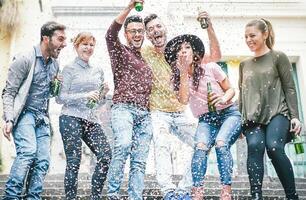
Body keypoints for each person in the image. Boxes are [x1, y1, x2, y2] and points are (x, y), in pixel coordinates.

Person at [142, 12, 222, 199]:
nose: (155, 31)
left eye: (158, 26)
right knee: (161, 144)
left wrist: (209, 26)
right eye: (150, 29)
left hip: (179, 112)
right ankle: (168, 191)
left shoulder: (181, 53)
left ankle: (184, 188)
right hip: (157, 112)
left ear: (165, 28)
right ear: (147, 35)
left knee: (203, 143)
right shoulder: (145, 52)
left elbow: (216, 56)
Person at [164, 34, 241, 200]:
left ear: (194, 52)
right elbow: (184, 100)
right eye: (179, 50)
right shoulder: (176, 79)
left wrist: (223, 98)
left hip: (228, 113)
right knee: (200, 147)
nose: (183, 52)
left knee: (221, 143)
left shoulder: (211, 67)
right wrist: (183, 72)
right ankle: (197, 192)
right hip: (206, 119)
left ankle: (226, 191)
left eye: (187, 48)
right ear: (176, 57)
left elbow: (231, 90)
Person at [2, 21, 66, 199]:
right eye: (60, 39)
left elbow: (53, 95)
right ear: (46, 38)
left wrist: (57, 86)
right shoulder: (25, 59)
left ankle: (32, 197)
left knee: (43, 160)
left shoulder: (54, 64)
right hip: (24, 115)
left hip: (42, 118)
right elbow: (9, 92)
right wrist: (8, 119)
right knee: (28, 152)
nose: (64, 44)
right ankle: (11, 196)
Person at [239, 18, 302, 200]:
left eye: (253, 35)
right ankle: (256, 195)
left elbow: (289, 88)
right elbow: (243, 93)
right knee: (254, 145)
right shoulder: (244, 64)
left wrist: (295, 116)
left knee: (274, 147)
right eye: (246, 37)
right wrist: (241, 121)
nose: (249, 40)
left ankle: (292, 196)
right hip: (252, 117)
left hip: (277, 112)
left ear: (265, 34)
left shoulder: (278, 57)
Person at [105, 0, 153, 199]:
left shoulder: (148, 58)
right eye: (132, 31)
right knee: (123, 145)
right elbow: (109, 34)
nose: (137, 34)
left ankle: (135, 197)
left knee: (140, 160)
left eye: (140, 31)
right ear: (126, 34)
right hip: (123, 108)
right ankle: (113, 194)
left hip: (145, 113)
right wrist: (130, 7)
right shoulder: (119, 51)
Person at [56, 32, 112, 200]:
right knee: (74, 161)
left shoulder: (98, 71)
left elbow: (97, 103)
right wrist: (85, 95)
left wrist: (103, 95)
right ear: (76, 46)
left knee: (105, 155)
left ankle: (95, 196)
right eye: (84, 44)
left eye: (91, 45)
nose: (88, 48)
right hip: (70, 118)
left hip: (90, 119)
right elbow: (60, 98)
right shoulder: (69, 69)